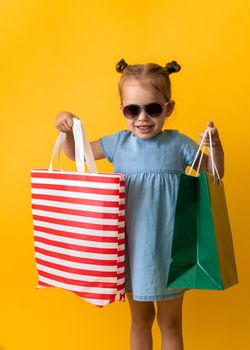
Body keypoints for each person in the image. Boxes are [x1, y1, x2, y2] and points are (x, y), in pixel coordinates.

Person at [55, 59, 224, 350]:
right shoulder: (118, 143)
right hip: (132, 249)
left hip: (173, 251)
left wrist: (216, 145)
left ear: (167, 108)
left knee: (170, 323)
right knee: (140, 320)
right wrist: (67, 128)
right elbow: (76, 155)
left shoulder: (179, 144)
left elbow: (216, 173)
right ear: (122, 109)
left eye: (153, 109)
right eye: (133, 110)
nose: (142, 118)